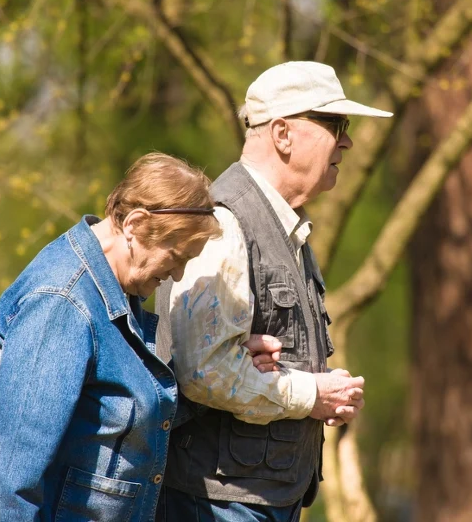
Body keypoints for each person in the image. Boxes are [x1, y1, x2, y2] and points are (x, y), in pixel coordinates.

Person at [0, 153, 280, 522]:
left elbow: (124, 412)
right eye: (177, 255)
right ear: (134, 225)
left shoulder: (120, 294)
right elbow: (12, 477)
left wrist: (220, 367)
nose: (179, 274)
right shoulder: (62, 304)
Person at [154, 61, 393, 521]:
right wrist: (311, 394)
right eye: (334, 124)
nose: (346, 140)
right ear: (282, 134)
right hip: (219, 504)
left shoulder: (285, 224)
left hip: (257, 499)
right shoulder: (224, 224)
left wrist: (316, 387)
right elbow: (204, 372)